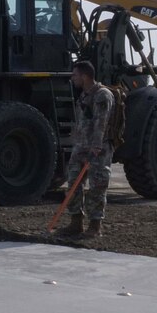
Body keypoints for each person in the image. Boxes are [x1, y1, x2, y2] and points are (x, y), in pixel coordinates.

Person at [58, 60, 114, 241]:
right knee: (73, 184)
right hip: (81, 147)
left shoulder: (102, 95)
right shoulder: (84, 95)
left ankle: (95, 226)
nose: (72, 78)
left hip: (97, 150)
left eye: (75, 75)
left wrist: (96, 147)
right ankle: (76, 223)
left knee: (97, 186)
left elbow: (101, 123)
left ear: (85, 76)